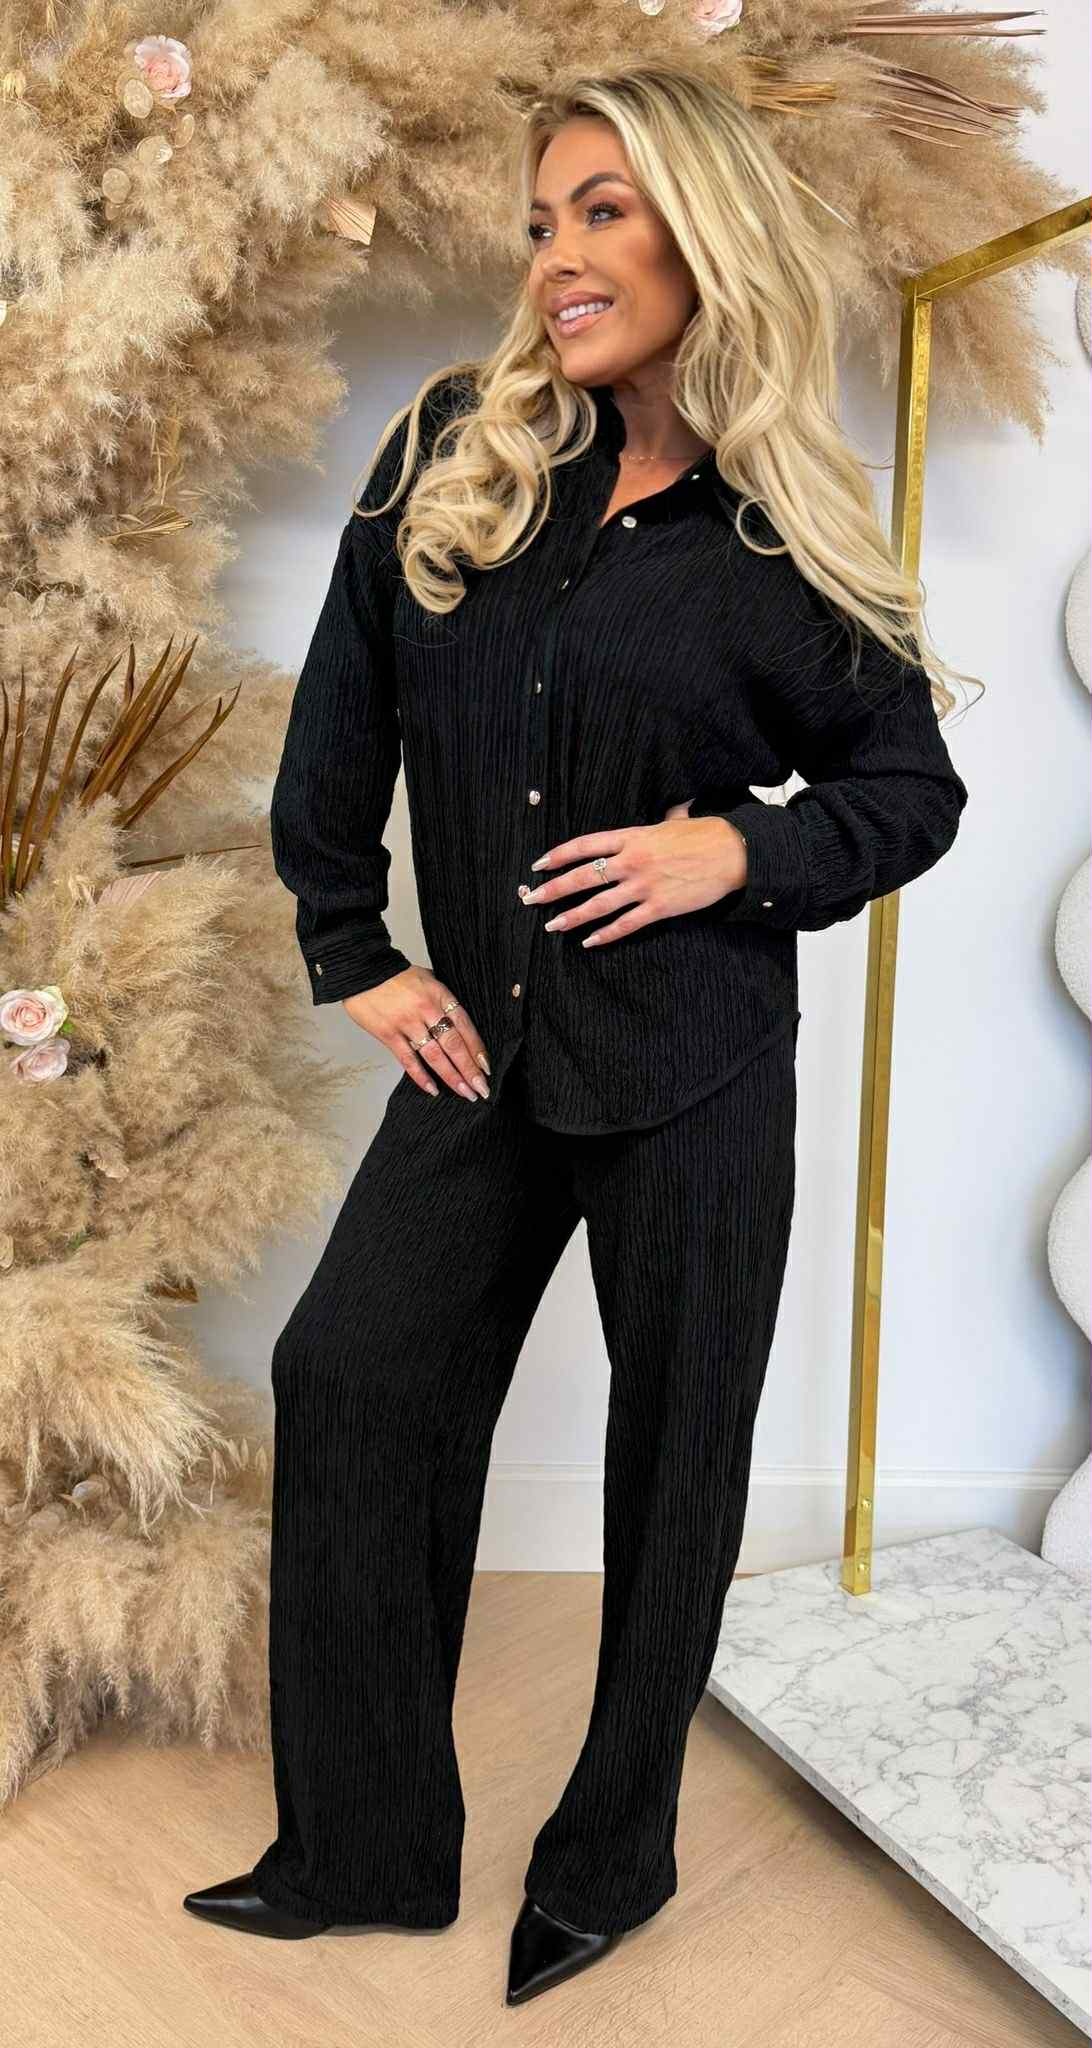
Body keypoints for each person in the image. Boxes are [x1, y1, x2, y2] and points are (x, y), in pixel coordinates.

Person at [182, 60, 971, 2007]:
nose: (558, 257)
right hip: (486, 1053)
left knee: (675, 1457)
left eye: (603, 211)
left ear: (704, 234)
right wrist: (357, 947)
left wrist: (737, 848)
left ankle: (614, 1858)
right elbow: (342, 715)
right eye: (545, 222)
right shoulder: (457, 451)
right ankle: (361, 1848)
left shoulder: (778, 539)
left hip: (698, 1064)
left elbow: (911, 789)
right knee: (353, 1376)